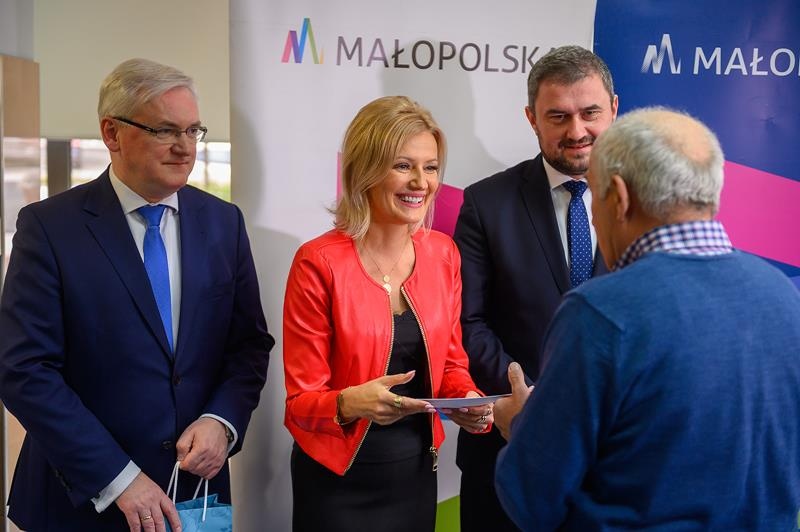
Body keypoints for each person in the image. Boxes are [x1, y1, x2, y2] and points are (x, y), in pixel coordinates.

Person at [0, 58, 274, 531]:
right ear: (112, 133)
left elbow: (248, 345)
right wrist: (118, 478)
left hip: (192, 495)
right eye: (165, 130)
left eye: (193, 131)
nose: (184, 147)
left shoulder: (222, 222)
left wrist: (221, 421)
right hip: (81, 498)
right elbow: (24, 369)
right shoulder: (49, 227)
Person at [494, 107, 800, 530]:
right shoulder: (785, 298)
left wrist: (521, 425)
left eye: (595, 196)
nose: (593, 217)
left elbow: (532, 497)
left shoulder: (599, 313)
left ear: (619, 197)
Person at [283, 95, 493, 532]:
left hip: (415, 473)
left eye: (430, 167)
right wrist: (349, 402)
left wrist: (469, 399)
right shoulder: (318, 262)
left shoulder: (444, 255)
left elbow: (451, 364)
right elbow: (300, 403)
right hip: (336, 482)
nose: (421, 182)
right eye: (402, 165)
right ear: (365, 170)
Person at [453, 45, 617, 530]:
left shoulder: (648, 203)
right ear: (532, 118)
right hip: (506, 453)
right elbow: (467, 321)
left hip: (615, 458)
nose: (577, 130)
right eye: (558, 116)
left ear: (614, 108)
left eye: (590, 113)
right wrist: (531, 398)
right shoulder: (486, 203)